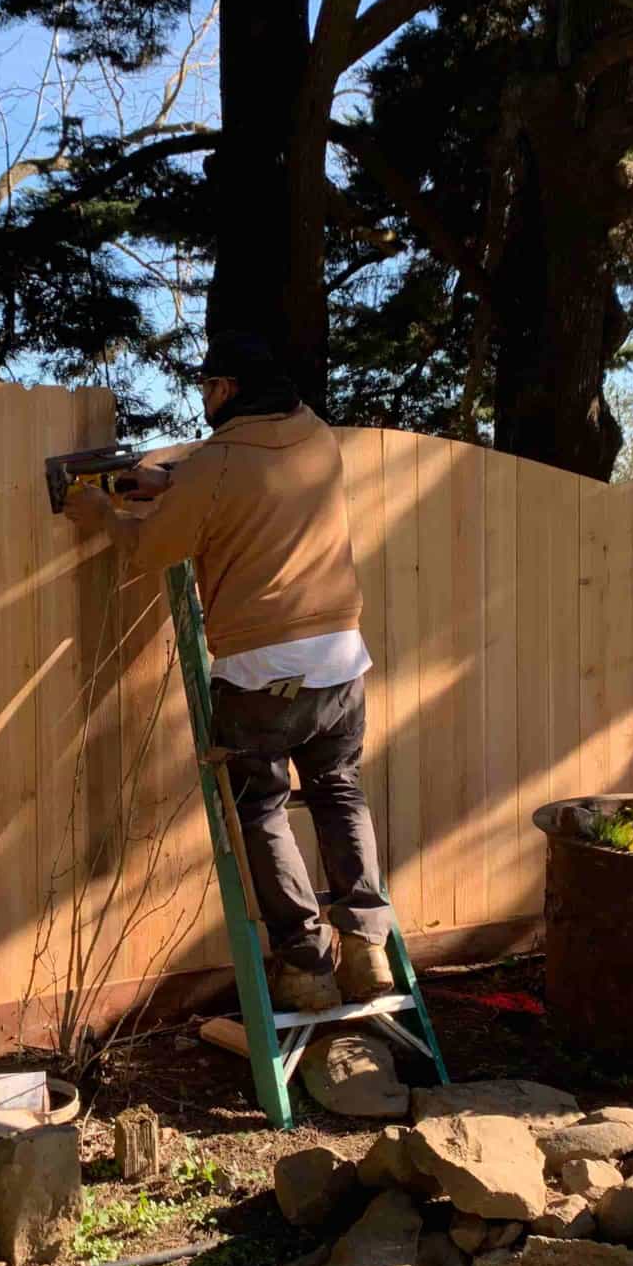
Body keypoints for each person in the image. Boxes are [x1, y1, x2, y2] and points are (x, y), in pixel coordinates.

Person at [61, 333, 394, 1012]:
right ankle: (366, 944)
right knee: (337, 790)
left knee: (263, 809)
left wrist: (102, 513)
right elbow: (251, 489)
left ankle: (305, 965)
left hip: (262, 670)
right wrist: (170, 483)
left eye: (208, 387)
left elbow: (152, 549)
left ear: (230, 389)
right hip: (339, 659)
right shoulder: (315, 436)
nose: (204, 398)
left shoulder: (216, 464)